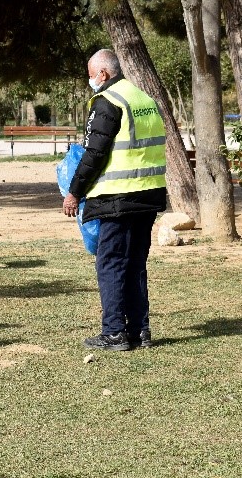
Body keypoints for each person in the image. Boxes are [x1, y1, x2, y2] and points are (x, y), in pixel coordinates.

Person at [62, 49, 167, 351]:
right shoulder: (144, 100)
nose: (90, 80)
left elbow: (94, 153)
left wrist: (74, 192)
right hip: (148, 195)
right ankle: (139, 331)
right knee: (135, 264)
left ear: (103, 74)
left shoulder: (108, 101)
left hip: (117, 198)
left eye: (91, 75)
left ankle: (114, 333)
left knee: (110, 264)